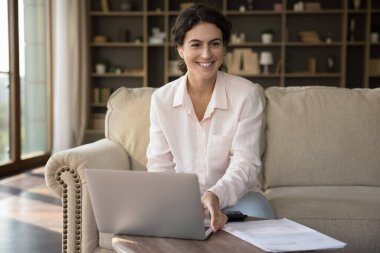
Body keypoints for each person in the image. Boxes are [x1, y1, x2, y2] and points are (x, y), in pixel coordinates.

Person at [146, 4, 275, 233]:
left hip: (239, 196)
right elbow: (160, 165)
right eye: (196, 44)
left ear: (224, 48)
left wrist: (215, 194)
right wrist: (179, 202)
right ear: (180, 49)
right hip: (181, 199)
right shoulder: (162, 99)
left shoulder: (246, 94)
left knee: (264, 228)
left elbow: (246, 162)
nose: (206, 54)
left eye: (214, 44)